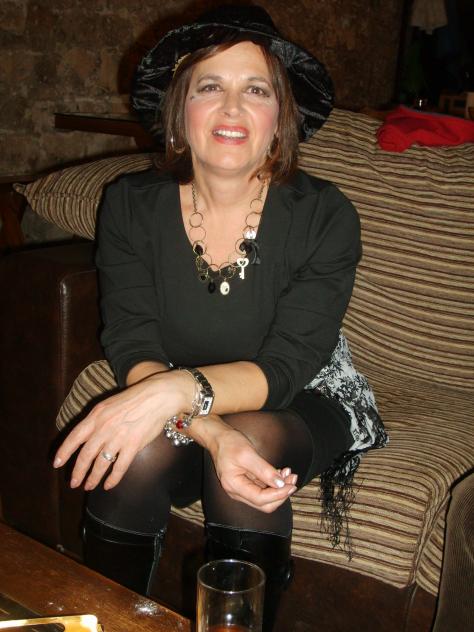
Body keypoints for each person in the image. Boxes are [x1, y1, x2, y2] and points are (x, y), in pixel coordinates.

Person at [53, 5, 387, 630]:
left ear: (279, 118)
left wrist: (175, 393)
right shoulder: (129, 205)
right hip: (183, 386)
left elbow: (285, 367)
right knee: (136, 452)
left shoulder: (326, 216)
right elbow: (133, 341)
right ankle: (104, 619)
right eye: (210, 86)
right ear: (180, 110)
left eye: (256, 90)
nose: (232, 108)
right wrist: (207, 428)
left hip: (302, 390)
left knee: (253, 439)